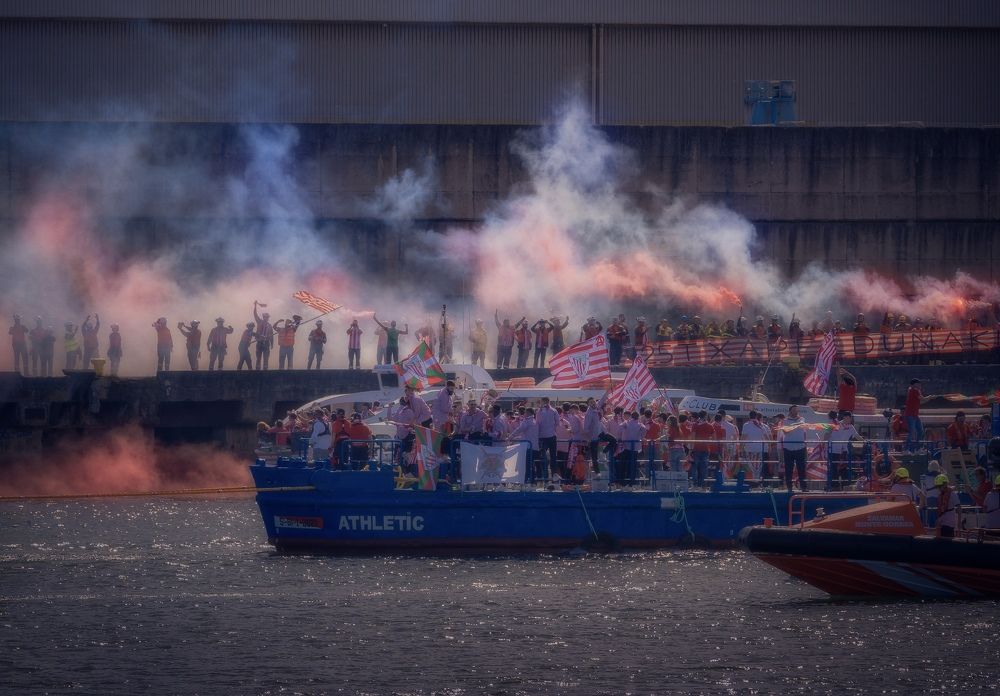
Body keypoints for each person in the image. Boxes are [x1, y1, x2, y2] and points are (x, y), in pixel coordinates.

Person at [828, 411, 862, 484]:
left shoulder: (851, 427)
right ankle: (834, 486)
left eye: (851, 418)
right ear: (845, 417)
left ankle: (845, 484)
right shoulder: (836, 424)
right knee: (834, 468)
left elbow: (857, 436)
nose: (850, 420)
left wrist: (866, 442)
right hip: (834, 450)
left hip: (844, 451)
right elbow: (827, 434)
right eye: (849, 418)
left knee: (844, 468)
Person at [781, 405, 808, 492]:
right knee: (788, 469)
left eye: (797, 410)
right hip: (788, 448)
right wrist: (794, 425)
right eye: (794, 410)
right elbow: (785, 431)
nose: (796, 412)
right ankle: (789, 487)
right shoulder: (785, 421)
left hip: (800, 448)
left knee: (801, 468)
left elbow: (802, 425)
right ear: (790, 411)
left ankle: (803, 487)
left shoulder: (802, 419)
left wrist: (793, 425)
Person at [904, 378, 933, 451]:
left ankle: (918, 448)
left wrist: (929, 398)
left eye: (920, 384)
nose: (920, 385)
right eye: (918, 384)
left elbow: (921, 402)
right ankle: (906, 449)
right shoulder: (914, 390)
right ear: (913, 385)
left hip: (915, 415)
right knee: (912, 432)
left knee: (920, 432)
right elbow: (923, 399)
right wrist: (929, 397)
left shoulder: (914, 391)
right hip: (910, 415)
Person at [535, 397, 560, 481]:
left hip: (543, 437)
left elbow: (537, 423)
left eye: (541, 402)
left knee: (544, 457)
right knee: (552, 457)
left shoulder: (540, 411)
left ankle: (545, 476)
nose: (541, 403)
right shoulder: (553, 411)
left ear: (544, 402)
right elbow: (557, 422)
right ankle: (552, 475)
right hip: (551, 436)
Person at [689, 411, 716, 488]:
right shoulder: (710, 426)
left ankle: (695, 484)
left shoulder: (695, 425)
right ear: (706, 416)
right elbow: (714, 438)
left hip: (696, 448)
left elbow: (693, 438)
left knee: (695, 468)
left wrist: (691, 449)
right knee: (704, 468)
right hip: (706, 449)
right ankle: (704, 485)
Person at [934, 474, 957, 538]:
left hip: (949, 524)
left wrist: (959, 526)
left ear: (945, 484)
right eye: (937, 487)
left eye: (939, 486)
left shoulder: (952, 494)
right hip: (942, 523)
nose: (938, 488)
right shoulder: (941, 495)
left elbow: (959, 508)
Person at [252, 301, 274, 370]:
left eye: (267, 317)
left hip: (266, 343)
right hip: (259, 342)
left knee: (266, 358)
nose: (266, 318)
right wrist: (255, 306)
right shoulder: (259, 321)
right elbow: (255, 314)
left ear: (268, 318)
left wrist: (272, 344)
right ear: (263, 317)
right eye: (265, 317)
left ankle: (265, 371)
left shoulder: (270, 326)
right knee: (258, 357)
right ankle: (257, 371)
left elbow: (271, 336)